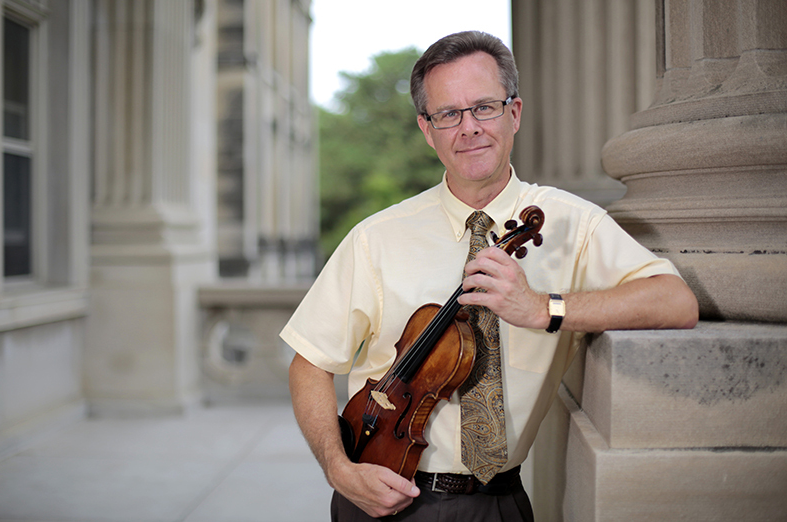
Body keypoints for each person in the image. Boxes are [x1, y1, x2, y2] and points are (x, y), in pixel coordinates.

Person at [281, 31, 698, 521]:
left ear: (514, 113)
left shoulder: (572, 224)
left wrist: (544, 309)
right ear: (426, 128)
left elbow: (675, 302)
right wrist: (337, 468)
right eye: (448, 114)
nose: (469, 128)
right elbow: (309, 363)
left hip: (497, 502)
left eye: (484, 107)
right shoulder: (377, 237)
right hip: (375, 493)